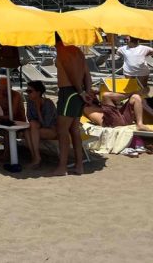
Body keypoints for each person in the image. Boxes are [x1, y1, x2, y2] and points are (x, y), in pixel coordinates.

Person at [53, 34, 93, 176]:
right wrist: (87, 92)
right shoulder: (77, 51)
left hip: (69, 92)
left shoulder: (63, 50)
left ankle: (62, 167)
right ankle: (79, 165)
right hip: (78, 92)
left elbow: (71, 73)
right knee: (74, 131)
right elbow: (87, 74)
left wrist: (81, 91)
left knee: (62, 131)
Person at [23, 81, 59, 169]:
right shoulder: (30, 102)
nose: (28, 93)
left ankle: (36, 159)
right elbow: (30, 117)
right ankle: (35, 157)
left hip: (52, 130)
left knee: (33, 127)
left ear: (38, 92)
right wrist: (36, 123)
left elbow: (47, 123)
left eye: (30, 91)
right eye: (27, 91)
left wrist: (38, 109)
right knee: (27, 130)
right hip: (38, 129)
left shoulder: (48, 103)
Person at [83, 90, 153, 132]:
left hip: (120, 119)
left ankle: (140, 124)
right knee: (106, 95)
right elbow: (103, 113)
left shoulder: (97, 104)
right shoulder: (87, 108)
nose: (93, 95)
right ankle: (129, 94)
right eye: (90, 94)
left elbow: (111, 111)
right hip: (111, 124)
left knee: (135, 97)